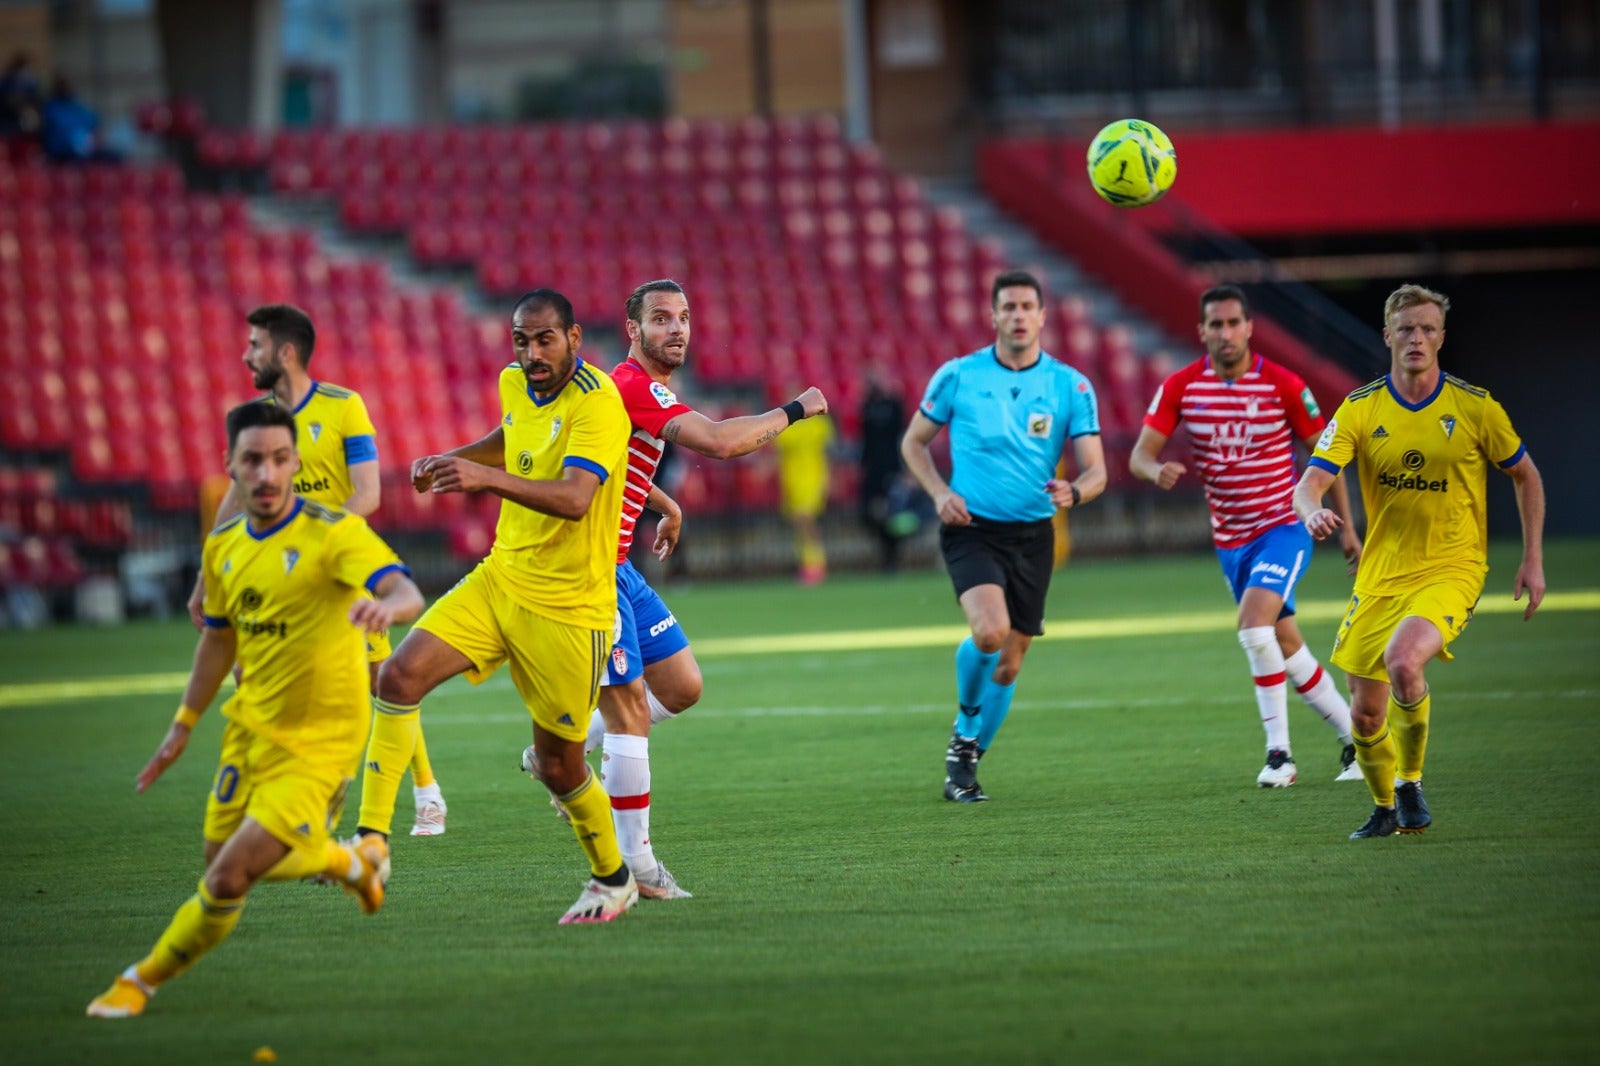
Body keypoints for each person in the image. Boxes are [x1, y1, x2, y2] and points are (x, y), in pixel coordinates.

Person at [87, 401, 424, 1018]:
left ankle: (138, 981)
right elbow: (217, 638)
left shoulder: (333, 532)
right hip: (250, 729)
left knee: (225, 879)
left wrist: (390, 607)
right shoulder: (223, 547)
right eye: (252, 461)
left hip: (321, 739)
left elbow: (404, 588)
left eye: (277, 460)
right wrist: (183, 725)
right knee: (219, 867)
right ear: (230, 467)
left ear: (296, 462)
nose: (266, 475)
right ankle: (351, 860)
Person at [548, 278, 828, 899]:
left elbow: (608, 463)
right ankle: (637, 867)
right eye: (660, 319)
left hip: (619, 564)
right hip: (589, 568)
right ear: (633, 330)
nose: (676, 329)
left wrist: (664, 502)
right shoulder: (632, 386)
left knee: (682, 686)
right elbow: (724, 444)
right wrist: (797, 408)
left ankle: (555, 755)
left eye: (683, 318)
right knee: (629, 716)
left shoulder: (628, 394)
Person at [366, 288, 639, 922]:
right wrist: (456, 459)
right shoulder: (515, 382)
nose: (532, 353)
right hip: (500, 579)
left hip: (570, 610)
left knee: (557, 763)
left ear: (574, 337)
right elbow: (512, 435)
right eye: (521, 340)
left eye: (545, 338)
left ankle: (613, 878)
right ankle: (370, 841)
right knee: (399, 676)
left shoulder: (599, 405)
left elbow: (574, 498)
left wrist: (484, 480)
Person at [1293, 283, 1545, 839]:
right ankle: (1385, 809)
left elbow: (1526, 474)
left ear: (1442, 339)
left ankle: (1410, 782)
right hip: (1381, 574)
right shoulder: (1360, 408)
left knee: (1404, 661)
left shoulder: (1476, 407)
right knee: (1364, 713)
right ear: (1387, 335)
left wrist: (1532, 558)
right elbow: (1310, 483)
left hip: (1453, 567)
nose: (1417, 338)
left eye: (1428, 329)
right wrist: (1311, 512)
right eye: (1406, 329)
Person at [187, 305, 448, 838]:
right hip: (277, 579)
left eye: (255, 345)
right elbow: (235, 500)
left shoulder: (344, 407)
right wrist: (203, 578)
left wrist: (315, 542)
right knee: (255, 677)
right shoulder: (257, 422)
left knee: (383, 680)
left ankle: (426, 792)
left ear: (285, 352)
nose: (246, 354)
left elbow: (369, 493)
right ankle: (298, 803)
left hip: (339, 572)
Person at [1130, 284, 1366, 787]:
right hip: (1231, 541)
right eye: (1216, 324)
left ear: (1249, 328)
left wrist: (1347, 529)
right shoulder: (1181, 387)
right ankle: (1359, 742)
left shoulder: (1282, 384)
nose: (1226, 332)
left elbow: (1329, 456)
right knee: (1285, 645)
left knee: (1254, 628)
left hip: (1282, 526)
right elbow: (1139, 455)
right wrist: (1155, 472)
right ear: (1202, 331)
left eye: (1234, 322)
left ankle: (1279, 756)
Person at [901, 270, 1106, 802]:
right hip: (973, 530)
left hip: (1035, 534)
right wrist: (940, 494)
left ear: (1042, 316)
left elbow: (1096, 471)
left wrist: (1075, 493)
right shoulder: (958, 376)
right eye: (1008, 307)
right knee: (989, 633)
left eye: (1026, 307)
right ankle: (965, 731)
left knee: (1011, 661)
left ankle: (965, 761)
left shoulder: (1070, 385)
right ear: (993, 316)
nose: (1017, 316)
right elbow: (913, 444)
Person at [773, 381, 835, 584]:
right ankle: (807, 562)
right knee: (799, 523)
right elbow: (776, 452)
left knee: (804, 518)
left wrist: (831, 477)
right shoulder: (784, 423)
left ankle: (816, 563)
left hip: (813, 476)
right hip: (791, 478)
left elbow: (829, 452)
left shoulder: (817, 423)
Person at [858, 364, 912, 571]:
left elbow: (902, 437)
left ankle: (892, 557)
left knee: (893, 514)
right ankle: (887, 552)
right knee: (869, 513)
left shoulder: (894, 405)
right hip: (873, 470)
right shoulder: (867, 406)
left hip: (892, 468)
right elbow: (866, 441)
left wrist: (906, 468)